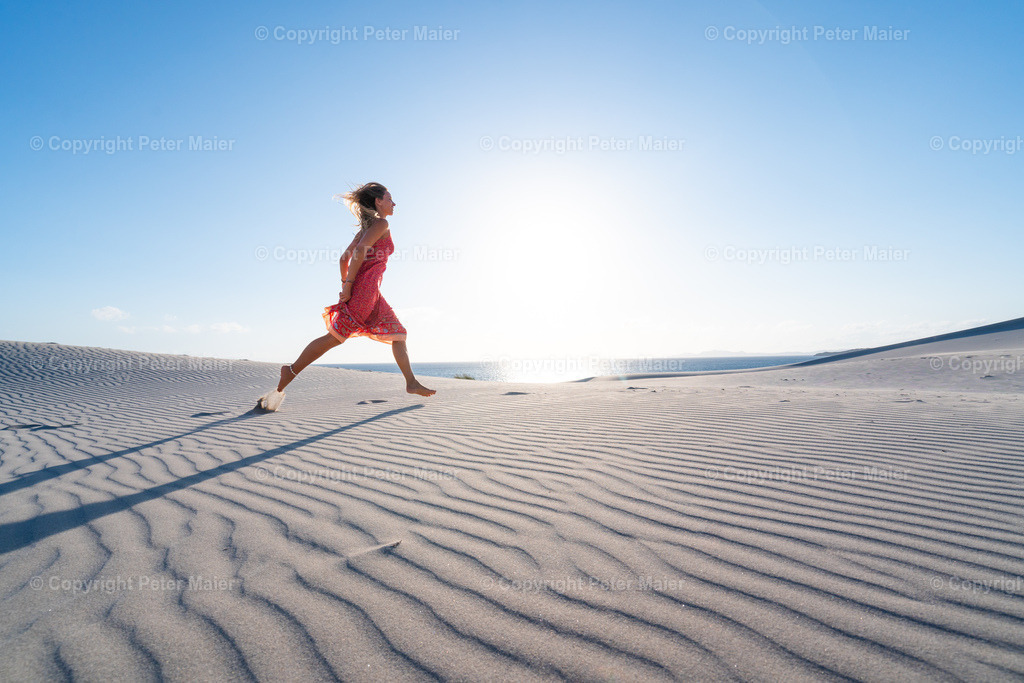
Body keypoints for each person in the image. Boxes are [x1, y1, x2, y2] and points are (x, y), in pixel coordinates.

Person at [256, 182, 435, 411]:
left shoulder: (366, 230)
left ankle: (410, 382)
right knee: (335, 337)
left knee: (398, 334)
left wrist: (346, 285)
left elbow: (344, 259)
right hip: (365, 291)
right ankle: (290, 371)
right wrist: (349, 287)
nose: (394, 203)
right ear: (378, 202)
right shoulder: (381, 224)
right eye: (390, 198)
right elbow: (358, 253)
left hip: (371, 292)